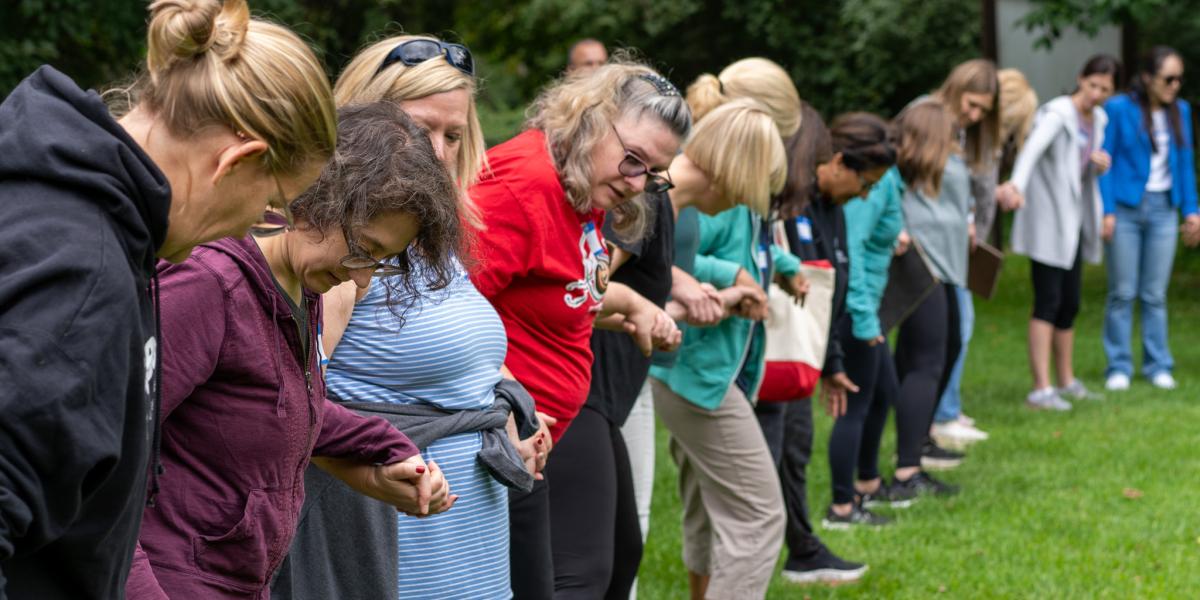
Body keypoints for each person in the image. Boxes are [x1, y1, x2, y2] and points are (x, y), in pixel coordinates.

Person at [0, 0, 337, 596]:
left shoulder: (77, 204)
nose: (250, 227)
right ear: (237, 159)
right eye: (271, 205)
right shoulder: (83, 271)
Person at [126, 102, 459, 599]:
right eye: (363, 248)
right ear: (318, 199)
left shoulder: (304, 286)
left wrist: (389, 450)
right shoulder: (208, 287)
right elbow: (108, 453)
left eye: (382, 261)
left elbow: (281, 410)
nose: (362, 276)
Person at [270, 36, 531, 600]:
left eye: (453, 135)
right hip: (395, 538)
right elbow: (290, 395)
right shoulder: (346, 254)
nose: (437, 152)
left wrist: (506, 409)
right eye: (420, 130)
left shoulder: (424, 246)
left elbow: (459, 361)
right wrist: (377, 464)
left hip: (468, 536)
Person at [468, 61, 690, 600]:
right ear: (591, 118)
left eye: (653, 173)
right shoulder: (523, 184)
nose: (638, 183)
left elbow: (558, 287)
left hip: (549, 421)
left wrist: (631, 304)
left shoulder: (582, 183)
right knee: (573, 578)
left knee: (613, 558)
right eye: (633, 159)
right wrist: (505, 405)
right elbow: (448, 304)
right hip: (511, 432)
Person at [549, 98, 780, 599]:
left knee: (622, 553)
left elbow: (605, 301)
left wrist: (662, 315)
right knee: (586, 569)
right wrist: (644, 308)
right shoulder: (646, 204)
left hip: (605, 398)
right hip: (580, 394)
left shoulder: (666, 207)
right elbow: (576, 288)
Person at [650, 60, 812, 600]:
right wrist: (729, 279)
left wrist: (776, 271)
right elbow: (683, 256)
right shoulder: (703, 181)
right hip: (699, 367)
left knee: (710, 505)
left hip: (700, 365)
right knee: (760, 517)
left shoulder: (704, 173)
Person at [752, 110, 894, 584]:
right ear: (837, 162)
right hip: (771, 355)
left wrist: (831, 362)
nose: (866, 194)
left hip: (805, 355)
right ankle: (762, 560)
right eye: (865, 182)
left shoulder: (832, 210)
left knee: (796, 448)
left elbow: (828, 294)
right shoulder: (794, 206)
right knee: (772, 456)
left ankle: (802, 549)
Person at [931, 67, 1039, 446]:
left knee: (959, 325)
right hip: (946, 246)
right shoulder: (948, 130)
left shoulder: (975, 137)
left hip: (963, 247)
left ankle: (947, 408)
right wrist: (970, 216)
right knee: (957, 325)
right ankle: (942, 414)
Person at [1009, 55, 1120, 411]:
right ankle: (1041, 388)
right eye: (1092, 85)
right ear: (1080, 79)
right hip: (1048, 223)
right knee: (1048, 300)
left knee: (1070, 302)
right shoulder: (1057, 114)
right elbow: (1030, 152)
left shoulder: (1099, 119)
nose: (1096, 94)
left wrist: (1098, 166)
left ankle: (1066, 380)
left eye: (1105, 88)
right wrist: (1016, 186)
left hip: (1074, 224)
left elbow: (1082, 170)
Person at [1100, 45, 1200, 391]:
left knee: (1155, 294)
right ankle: (1119, 366)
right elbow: (1104, 162)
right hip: (1126, 208)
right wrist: (1107, 210)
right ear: (1147, 77)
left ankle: (1158, 364)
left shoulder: (1181, 111)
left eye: (1179, 79)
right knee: (1123, 292)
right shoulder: (1118, 108)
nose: (1175, 86)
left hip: (1163, 209)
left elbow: (1185, 164)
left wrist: (1192, 211)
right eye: (1168, 78)